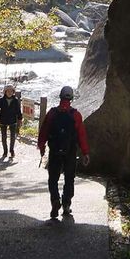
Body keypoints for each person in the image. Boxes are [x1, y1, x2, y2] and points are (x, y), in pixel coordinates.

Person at [37, 85, 90, 220]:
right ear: (71, 98)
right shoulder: (76, 115)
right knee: (69, 178)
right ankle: (66, 204)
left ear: (60, 96)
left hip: (55, 150)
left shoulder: (52, 113)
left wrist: (42, 146)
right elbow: (81, 135)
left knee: (53, 179)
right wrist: (85, 152)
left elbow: (44, 131)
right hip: (70, 150)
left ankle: (55, 200)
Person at [0, 84, 22, 159]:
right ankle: (5, 151)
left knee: (12, 137)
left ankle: (11, 150)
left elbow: (18, 111)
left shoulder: (15, 100)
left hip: (12, 120)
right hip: (3, 120)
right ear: (5, 92)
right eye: (8, 91)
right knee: (4, 137)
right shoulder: (1, 100)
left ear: (13, 92)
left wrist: (20, 119)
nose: (9, 92)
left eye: (11, 91)